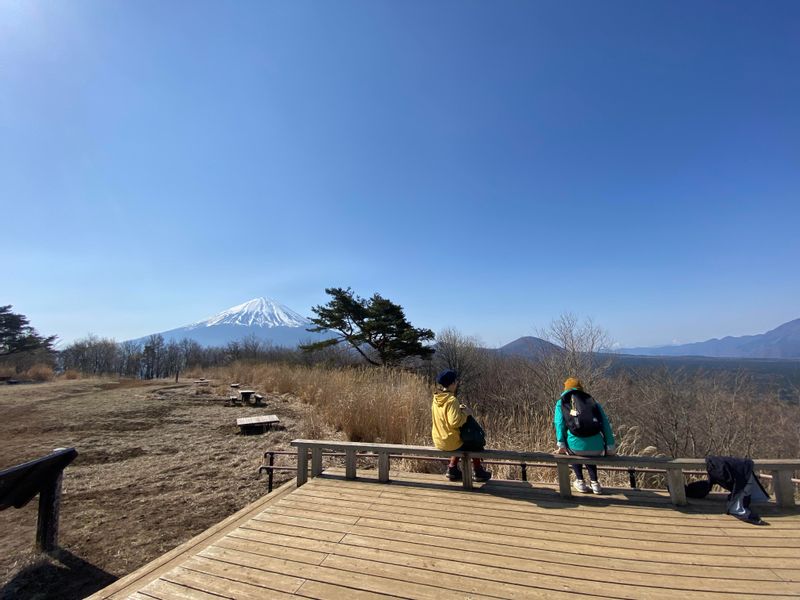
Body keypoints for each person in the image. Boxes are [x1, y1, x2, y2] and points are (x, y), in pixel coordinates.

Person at [554, 377, 615, 494]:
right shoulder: (592, 401)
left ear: (566, 388)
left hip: (575, 449)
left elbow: (559, 424)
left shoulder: (562, 402)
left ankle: (580, 481)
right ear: (580, 388)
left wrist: (561, 444)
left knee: (575, 447)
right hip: (597, 448)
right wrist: (610, 446)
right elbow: (605, 424)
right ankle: (595, 483)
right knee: (589, 450)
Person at [431, 369, 491, 482]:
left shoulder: (436, 399)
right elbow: (454, 422)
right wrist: (466, 414)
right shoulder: (452, 400)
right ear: (452, 383)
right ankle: (478, 472)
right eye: (455, 381)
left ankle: (452, 469)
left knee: (461, 442)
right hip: (449, 442)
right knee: (473, 443)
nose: (457, 383)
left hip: (438, 440)